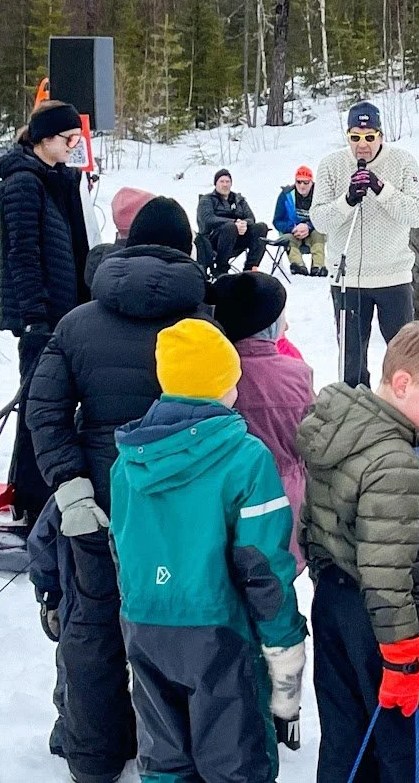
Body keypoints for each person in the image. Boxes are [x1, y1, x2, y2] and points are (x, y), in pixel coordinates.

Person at [25, 196, 206, 783]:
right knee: (175, 626)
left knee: (93, 623)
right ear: (186, 249)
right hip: (175, 509)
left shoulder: (78, 322)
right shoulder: (202, 327)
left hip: (96, 503)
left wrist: (70, 485)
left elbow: (45, 409)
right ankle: (174, 749)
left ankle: (94, 754)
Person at [110, 318, 308, 782]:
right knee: (235, 762)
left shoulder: (128, 463)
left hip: (146, 626)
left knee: (164, 759)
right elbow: (264, 568)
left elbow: (122, 548)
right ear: (224, 384)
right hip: (221, 633)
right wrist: (283, 646)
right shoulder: (246, 456)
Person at [297, 322, 419, 782]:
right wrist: (401, 653)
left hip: (337, 602)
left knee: (346, 734)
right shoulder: (393, 463)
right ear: (402, 384)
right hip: (390, 626)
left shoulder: (340, 430)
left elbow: (312, 524)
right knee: (406, 746)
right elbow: (388, 572)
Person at [0, 99, 94, 521]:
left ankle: (34, 489)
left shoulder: (54, 179)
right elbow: (21, 253)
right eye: (68, 138)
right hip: (41, 315)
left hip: (62, 310)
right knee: (40, 406)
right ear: (45, 139)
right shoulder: (22, 182)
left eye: (78, 138)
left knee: (50, 402)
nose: (75, 145)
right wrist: (35, 313)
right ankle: (31, 496)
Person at [310, 101, 419, 388]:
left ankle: (401, 414)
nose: (362, 146)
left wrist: (381, 189)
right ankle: (355, 414)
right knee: (352, 361)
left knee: (403, 357)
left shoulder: (403, 161)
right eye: (355, 138)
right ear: (347, 136)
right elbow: (319, 220)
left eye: (369, 137)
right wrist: (347, 200)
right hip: (348, 279)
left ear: (380, 136)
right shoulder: (331, 165)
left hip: (392, 277)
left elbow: (417, 214)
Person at [209, 270, 313, 568]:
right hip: (287, 499)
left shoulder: (216, 376)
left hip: (228, 501)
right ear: (269, 325)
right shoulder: (296, 375)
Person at [197, 168, 271, 277]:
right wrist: (234, 222)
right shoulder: (207, 200)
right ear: (215, 184)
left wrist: (244, 224)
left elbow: (251, 218)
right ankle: (221, 269)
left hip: (237, 239)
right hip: (213, 240)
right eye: (222, 181)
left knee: (261, 227)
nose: (225, 185)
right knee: (230, 227)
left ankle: (250, 269)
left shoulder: (238, 200)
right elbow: (207, 219)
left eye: (227, 182)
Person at [272, 165, 327, 277]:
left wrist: (309, 226)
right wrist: (293, 228)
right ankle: (298, 266)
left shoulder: (320, 195)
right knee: (287, 239)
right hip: (292, 232)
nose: (302, 186)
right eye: (299, 182)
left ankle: (318, 266)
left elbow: (325, 217)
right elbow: (277, 221)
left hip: (313, 231)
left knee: (319, 234)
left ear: (311, 182)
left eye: (306, 182)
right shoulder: (286, 195)